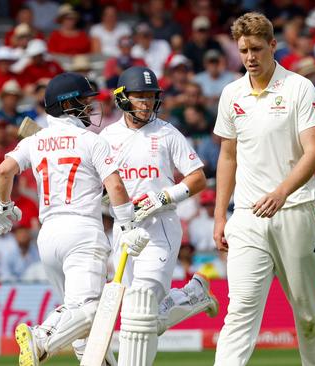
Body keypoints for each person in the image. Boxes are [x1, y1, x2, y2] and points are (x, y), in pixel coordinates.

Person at [0, 72, 149, 365]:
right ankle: (42, 338)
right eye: (85, 102)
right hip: (83, 233)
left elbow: (3, 171)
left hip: (48, 237)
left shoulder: (35, 141)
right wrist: (128, 225)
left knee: (83, 327)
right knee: (91, 312)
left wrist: (4, 203)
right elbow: (115, 186)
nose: (90, 108)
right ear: (68, 104)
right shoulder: (92, 141)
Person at [212, 13, 315, 365]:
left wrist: (282, 192)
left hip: (295, 211)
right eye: (244, 50)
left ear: (273, 46)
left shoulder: (298, 87)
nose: (250, 57)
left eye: (257, 49)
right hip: (248, 217)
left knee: (308, 317)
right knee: (239, 313)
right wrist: (221, 216)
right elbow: (228, 156)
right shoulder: (231, 93)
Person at [100, 66, 217, 365]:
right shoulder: (107, 136)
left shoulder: (166, 132)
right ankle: (191, 296)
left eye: (151, 97)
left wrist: (163, 197)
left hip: (160, 228)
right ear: (122, 98)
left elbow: (197, 178)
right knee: (138, 316)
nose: (147, 103)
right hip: (124, 232)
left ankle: (191, 297)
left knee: (142, 302)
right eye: (140, 96)